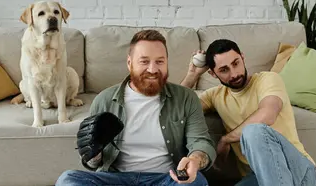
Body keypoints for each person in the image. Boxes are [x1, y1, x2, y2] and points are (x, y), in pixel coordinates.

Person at [56, 29, 216, 186]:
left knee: (196, 182)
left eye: (160, 61)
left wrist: (194, 160)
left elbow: (200, 142)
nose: (153, 69)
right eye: (144, 61)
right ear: (129, 63)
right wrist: (94, 154)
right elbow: (93, 164)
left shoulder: (186, 98)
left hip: (166, 179)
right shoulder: (104, 100)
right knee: (68, 180)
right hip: (115, 178)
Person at [180, 39, 316, 186]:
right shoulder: (215, 96)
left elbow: (268, 114)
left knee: (253, 131)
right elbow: (176, 111)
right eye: (224, 70)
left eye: (236, 63)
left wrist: (226, 139)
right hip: (259, 178)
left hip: (298, 171)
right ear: (213, 74)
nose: (234, 74)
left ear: (243, 58)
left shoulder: (268, 79)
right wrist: (192, 75)